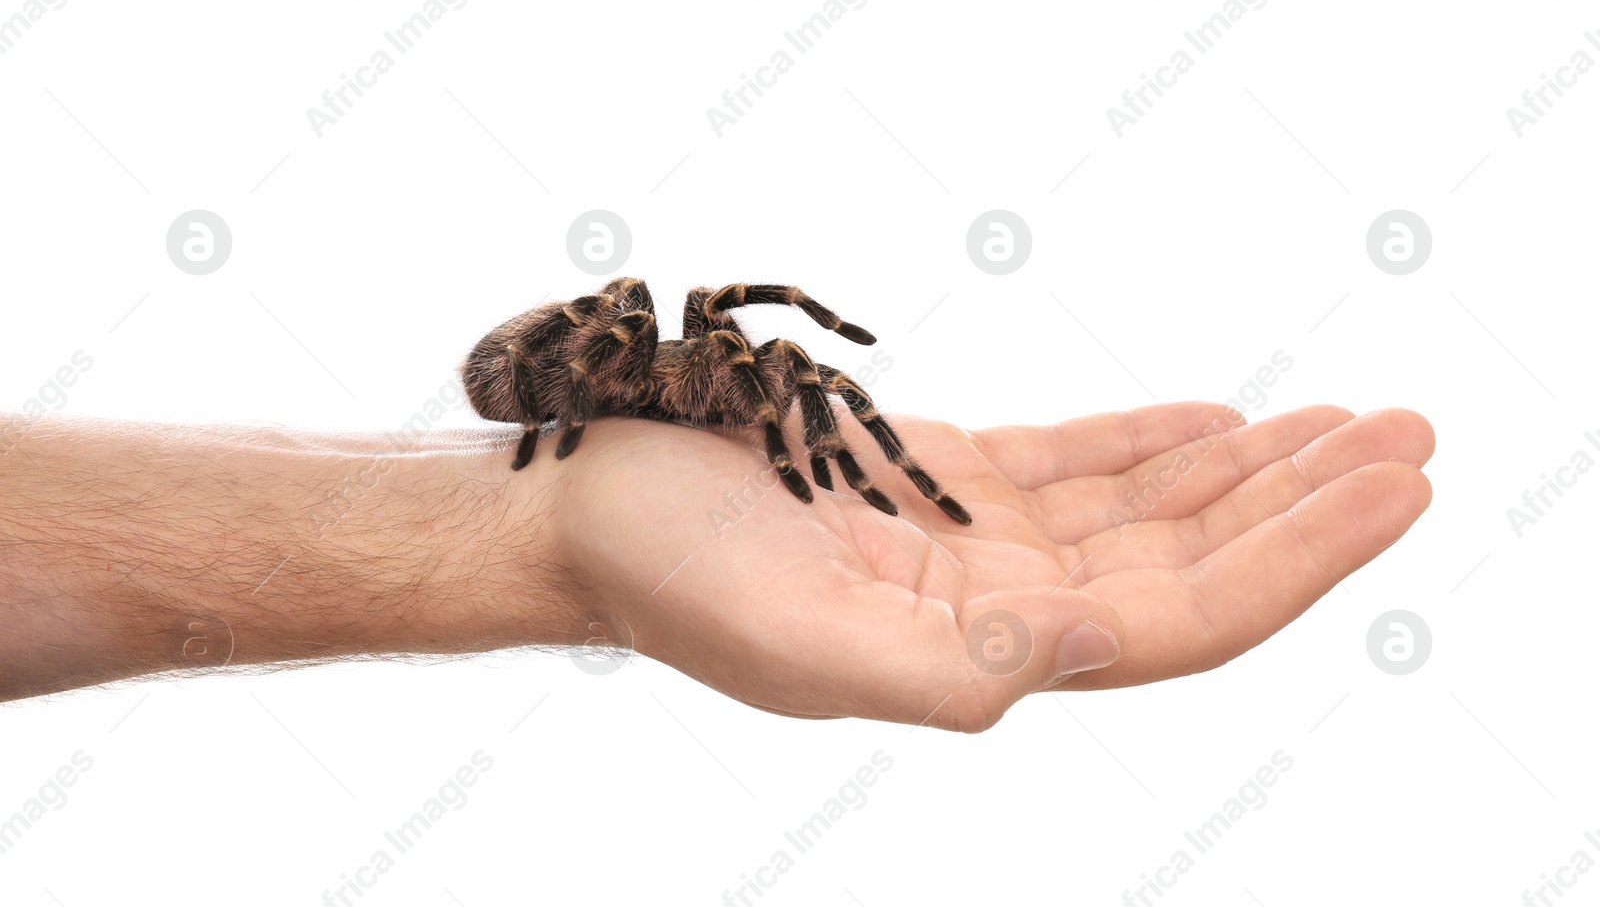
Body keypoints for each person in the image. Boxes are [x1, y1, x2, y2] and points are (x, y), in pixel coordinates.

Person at [0, 402, 1433, 730]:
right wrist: (552, 495)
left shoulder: (707, 375)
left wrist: (538, 507)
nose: (768, 388)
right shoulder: (721, 362)